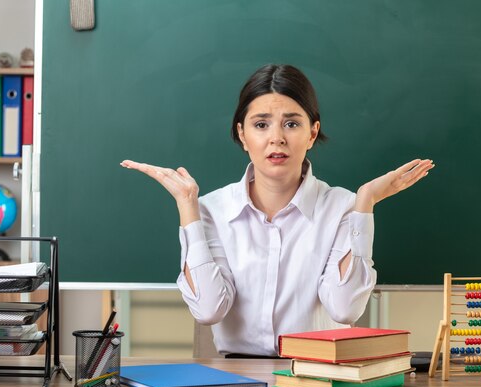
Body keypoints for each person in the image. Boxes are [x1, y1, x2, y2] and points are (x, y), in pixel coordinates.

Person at [121, 64, 434, 357]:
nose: (277, 138)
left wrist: (365, 202)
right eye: (261, 125)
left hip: (317, 373)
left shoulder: (342, 207)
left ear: (312, 133)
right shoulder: (211, 210)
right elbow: (208, 310)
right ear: (242, 134)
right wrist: (188, 206)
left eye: (292, 123)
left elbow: (345, 309)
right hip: (234, 379)